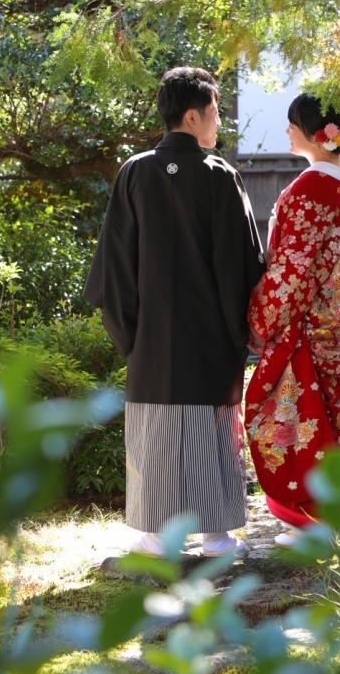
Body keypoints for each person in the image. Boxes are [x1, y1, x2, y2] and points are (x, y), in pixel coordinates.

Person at [83, 66, 265, 558]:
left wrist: (129, 335)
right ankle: (217, 538)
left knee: (156, 435)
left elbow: (115, 263)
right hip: (211, 339)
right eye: (215, 111)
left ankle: (154, 536)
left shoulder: (135, 171)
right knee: (211, 434)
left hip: (151, 340)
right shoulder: (220, 176)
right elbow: (245, 263)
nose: (219, 121)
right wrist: (241, 332)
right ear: (191, 116)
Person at [245, 93, 340, 545]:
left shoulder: (309, 191)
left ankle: (314, 528)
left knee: (307, 427)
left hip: (313, 333)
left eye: (291, 125)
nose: (286, 131)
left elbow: (291, 272)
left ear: (315, 135)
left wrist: (259, 320)